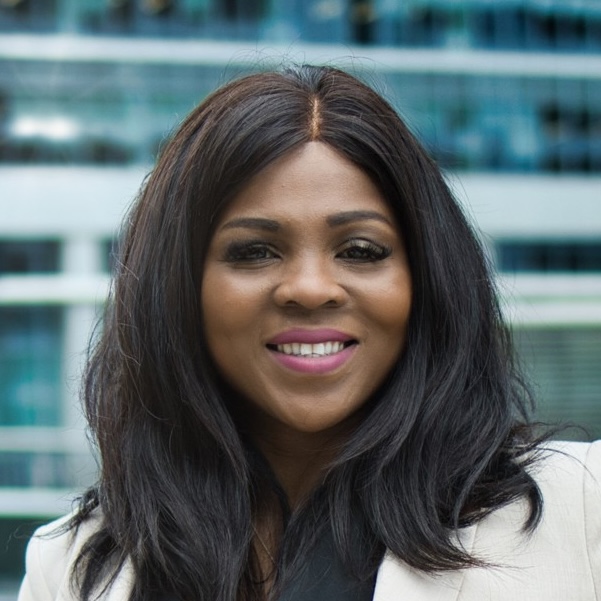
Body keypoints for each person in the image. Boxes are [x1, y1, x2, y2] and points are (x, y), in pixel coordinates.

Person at [18, 65, 601, 601]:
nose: (310, 288)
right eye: (254, 251)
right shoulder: (69, 568)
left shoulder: (582, 506)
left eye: (360, 250)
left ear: (426, 279)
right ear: (179, 289)